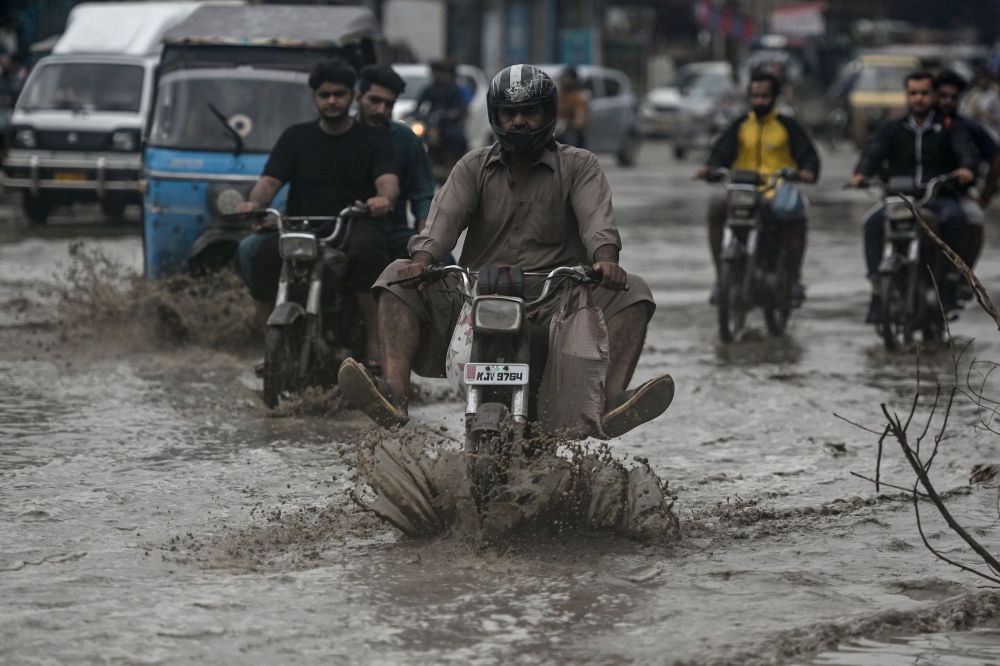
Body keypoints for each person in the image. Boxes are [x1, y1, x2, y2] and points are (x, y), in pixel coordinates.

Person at [338, 64, 674, 438]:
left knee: (636, 291)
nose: (518, 122)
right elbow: (442, 222)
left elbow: (598, 222)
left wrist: (606, 260)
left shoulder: (579, 165)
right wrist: (422, 261)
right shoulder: (472, 166)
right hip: (474, 297)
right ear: (494, 116)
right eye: (508, 113)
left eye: (530, 112)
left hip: (556, 301)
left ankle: (609, 403)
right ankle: (395, 395)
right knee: (395, 276)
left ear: (548, 114)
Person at [234, 59, 399, 372]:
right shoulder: (296, 137)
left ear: (353, 95)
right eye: (325, 95)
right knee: (263, 255)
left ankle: (374, 343)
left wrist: (382, 199)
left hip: (352, 223)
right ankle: (270, 342)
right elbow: (269, 182)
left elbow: (387, 181)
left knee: (368, 251)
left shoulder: (373, 140)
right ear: (315, 97)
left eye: (339, 94)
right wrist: (253, 204)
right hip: (301, 226)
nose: (332, 101)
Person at [850, 71, 978, 322]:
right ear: (907, 96)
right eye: (913, 93)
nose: (919, 98)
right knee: (872, 223)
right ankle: (877, 294)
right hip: (899, 199)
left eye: (924, 93)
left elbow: (967, 153)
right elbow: (872, 154)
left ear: (933, 96)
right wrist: (860, 174)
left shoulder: (949, 127)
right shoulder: (892, 128)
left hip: (937, 197)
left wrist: (966, 170)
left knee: (956, 219)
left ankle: (950, 284)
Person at [697, 71, 819, 306]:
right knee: (715, 213)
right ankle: (720, 278)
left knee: (797, 222)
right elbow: (721, 152)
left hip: (776, 194)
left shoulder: (787, 126)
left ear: (775, 97)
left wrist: (808, 170)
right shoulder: (740, 125)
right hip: (742, 192)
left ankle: (793, 280)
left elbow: (808, 155)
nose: (759, 101)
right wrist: (710, 168)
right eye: (754, 96)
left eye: (764, 96)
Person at [355, 64, 436, 260]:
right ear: (358, 97)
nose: (380, 110)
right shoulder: (343, 134)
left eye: (388, 104)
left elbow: (422, 192)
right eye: (374, 101)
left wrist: (424, 236)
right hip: (343, 226)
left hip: (389, 230)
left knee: (441, 266)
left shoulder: (404, 139)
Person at [935, 69, 1000, 277]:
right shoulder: (913, 125)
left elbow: (994, 158)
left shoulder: (965, 128)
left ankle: (963, 277)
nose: (947, 102)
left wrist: (984, 198)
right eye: (942, 96)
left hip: (955, 193)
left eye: (953, 98)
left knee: (975, 217)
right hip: (916, 191)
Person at [415, 60, 468, 161]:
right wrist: (416, 113)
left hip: (447, 124)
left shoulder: (453, 89)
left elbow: (459, 109)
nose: (436, 75)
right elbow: (418, 105)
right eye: (434, 73)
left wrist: (451, 114)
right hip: (431, 124)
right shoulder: (429, 89)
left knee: (456, 137)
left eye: (438, 72)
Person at [959, 66, 1000, 141]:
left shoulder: (995, 91)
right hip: (982, 130)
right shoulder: (974, 95)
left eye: (984, 78)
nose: (983, 81)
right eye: (980, 78)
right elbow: (968, 114)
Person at [556, 66, 589, 149]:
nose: (563, 80)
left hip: (569, 133)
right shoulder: (557, 95)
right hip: (555, 131)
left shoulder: (577, 97)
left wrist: (572, 124)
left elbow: (580, 116)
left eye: (566, 78)